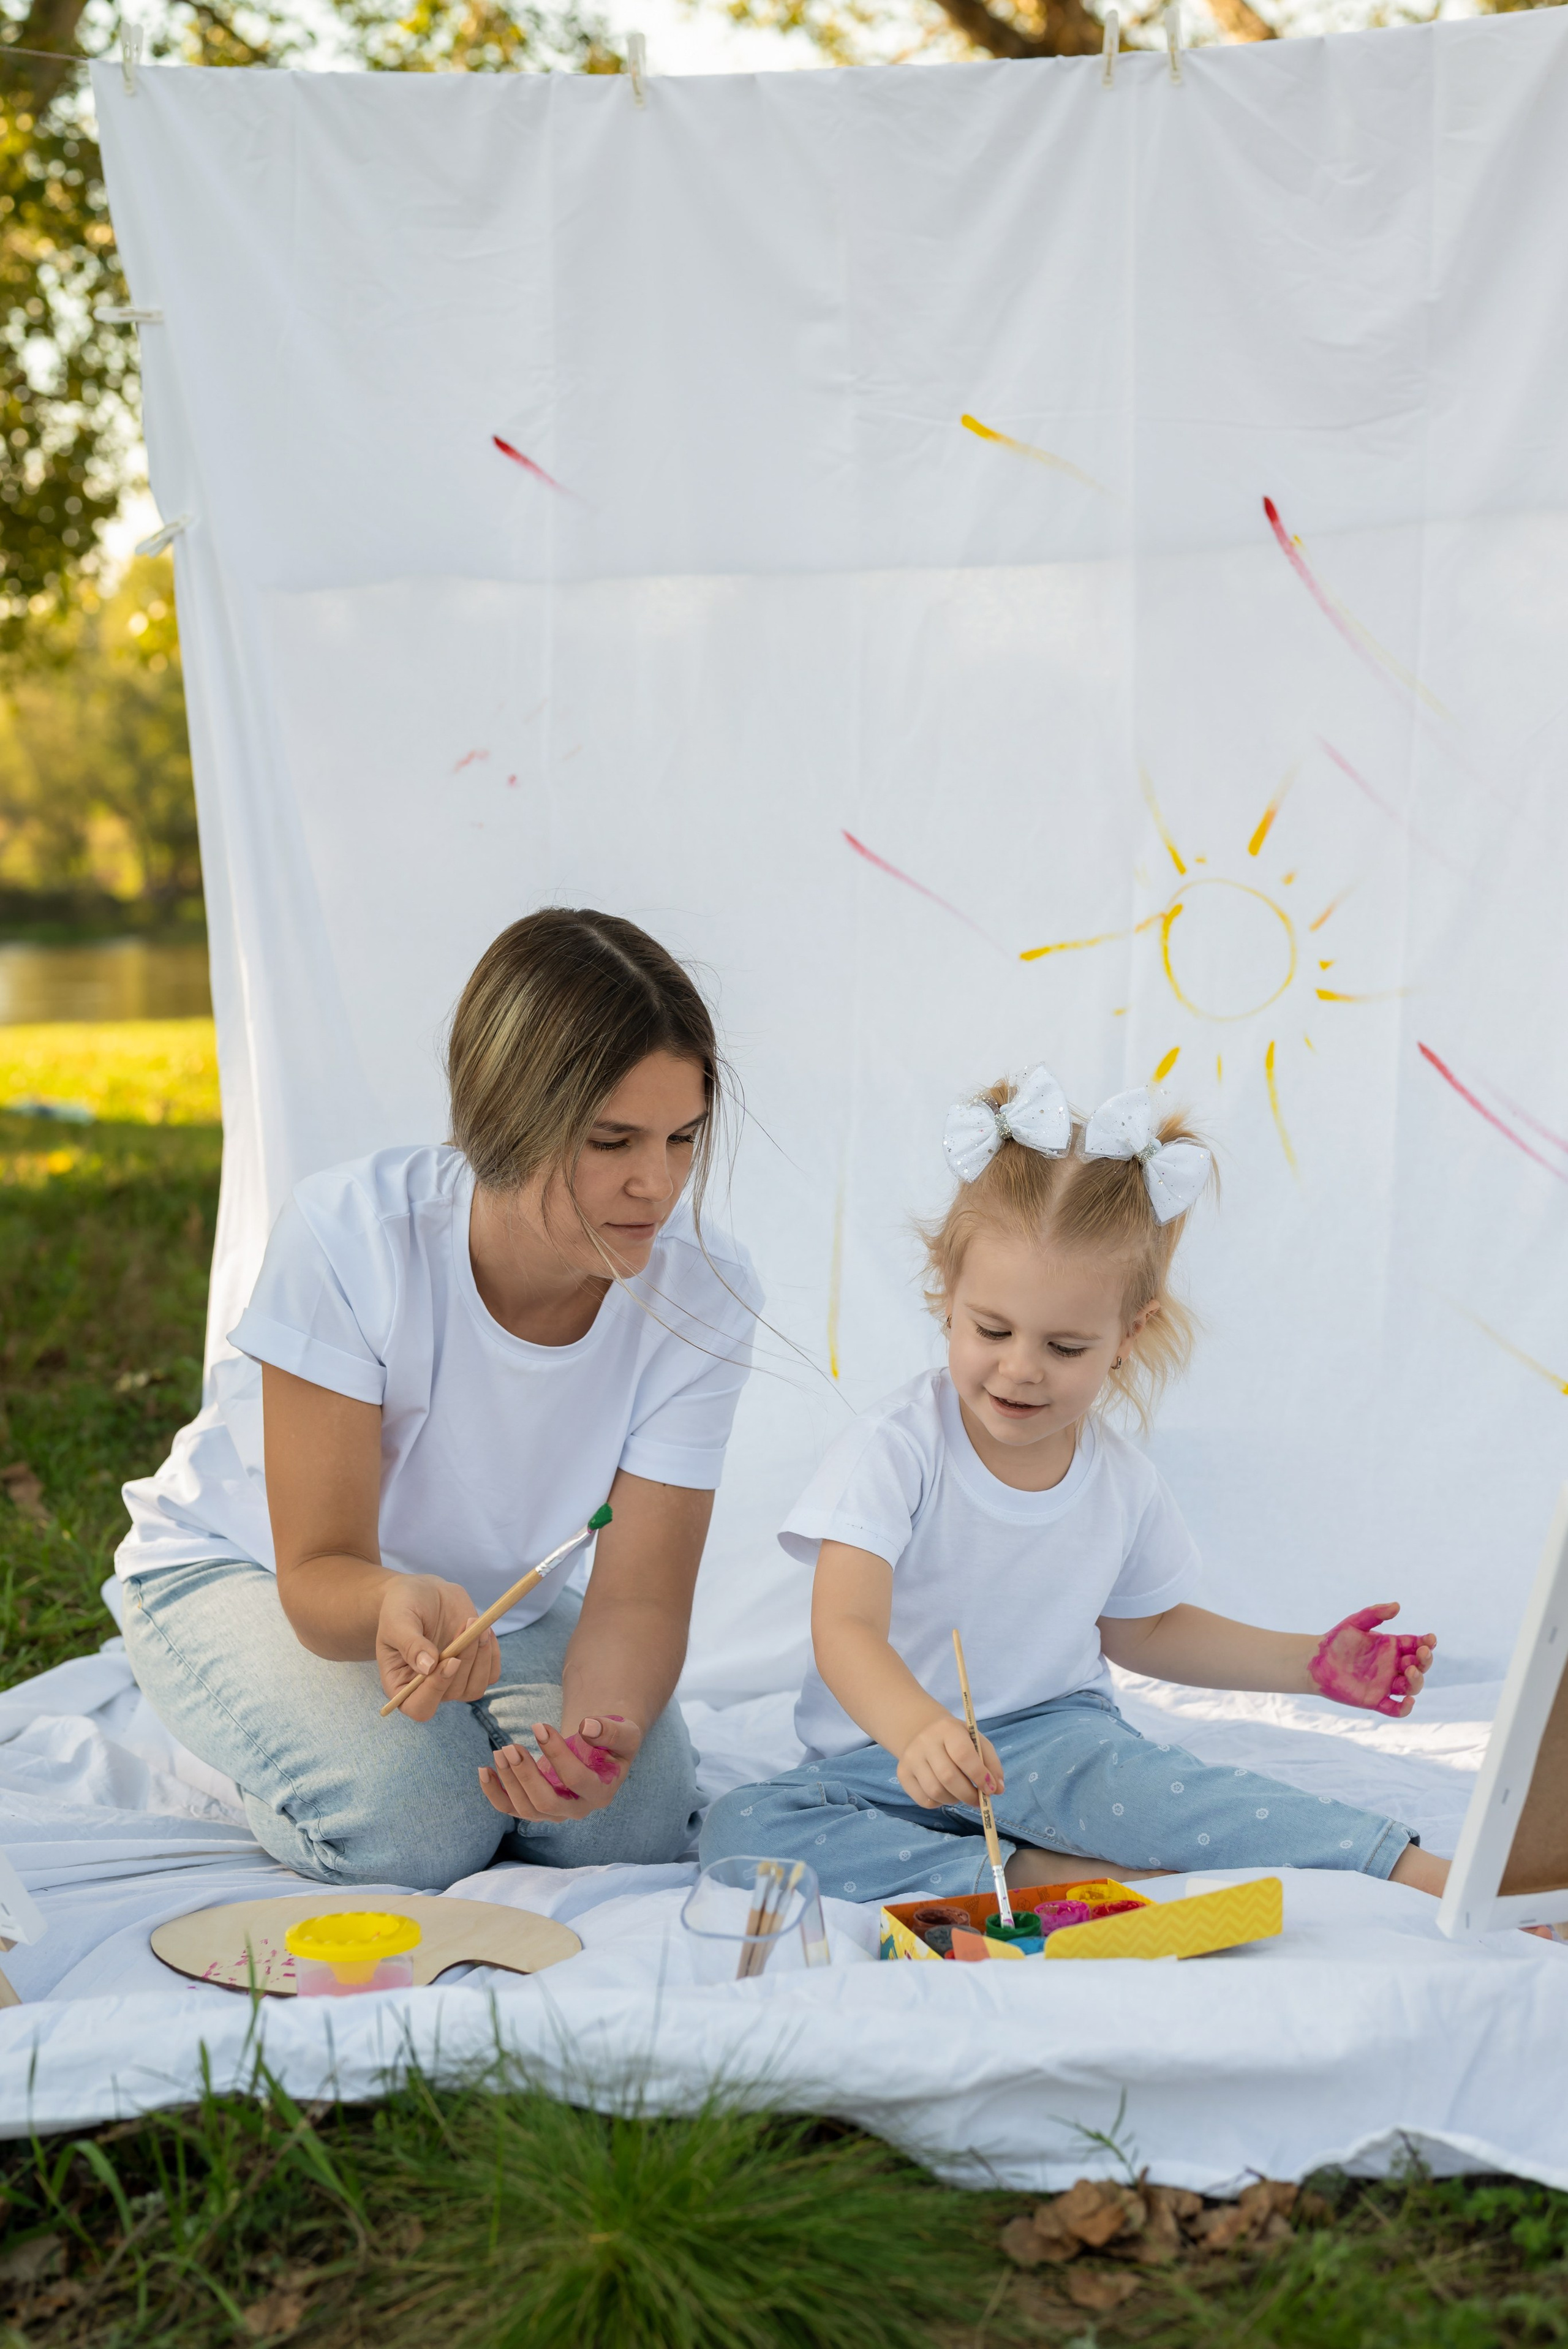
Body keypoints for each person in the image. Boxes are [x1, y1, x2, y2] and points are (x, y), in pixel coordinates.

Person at [701, 1061, 1449, 1907]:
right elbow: (844, 1625)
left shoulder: (1120, 1482)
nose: (1020, 1370)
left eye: (1065, 1348)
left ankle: (1406, 1868)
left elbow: (1151, 1631)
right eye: (993, 1330)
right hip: (878, 1762)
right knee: (741, 1829)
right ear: (948, 1300)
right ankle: (1031, 1873)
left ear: (1129, 1336)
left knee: (1173, 1795)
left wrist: (1308, 1667)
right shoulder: (895, 1449)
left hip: (1055, 1747)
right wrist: (917, 1732)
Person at [119, 908, 761, 1890]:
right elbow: (320, 1571)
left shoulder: (704, 1290)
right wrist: (389, 1600)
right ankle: (245, 1735)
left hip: (490, 1608)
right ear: (506, 1121)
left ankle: (424, 1752)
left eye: (683, 1137)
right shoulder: (352, 1239)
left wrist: (598, 1741)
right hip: (251, 1571)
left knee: (627, 1821)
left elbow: (638, 1596)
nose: (658, 1185)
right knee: (421, 1829)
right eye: (612, 1140)